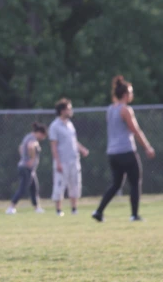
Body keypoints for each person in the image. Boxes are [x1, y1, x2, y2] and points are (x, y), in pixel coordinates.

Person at [92, 76, 156, 222]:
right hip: (126, 151)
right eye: (131, 92)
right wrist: (147, 147)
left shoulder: (110, 109)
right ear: (126, 95)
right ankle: (134, 215)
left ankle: (99, 211)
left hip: (112, 153)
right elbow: (135, 130)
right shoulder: (126, 110)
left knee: (116, 184)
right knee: (135, 182)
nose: (132, 95)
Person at [49, 98, 89, 216]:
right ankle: (58, 210)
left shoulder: (70, 125)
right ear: (62, 111)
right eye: (68, 109)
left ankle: (74, 209)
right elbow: (54, 146)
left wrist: (82, 149)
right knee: (60, 185)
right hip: (62, 161)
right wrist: (58, 162)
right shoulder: (55, 126)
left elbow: (73, 141)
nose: (71, 111)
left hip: (74, 160)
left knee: (75, 184)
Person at [6, 123, 47, 214]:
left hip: (28, 168)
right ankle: (11, 207)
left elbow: (21, 147)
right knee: (23, 188)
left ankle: (37, 208)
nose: (43, 138)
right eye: (43, 136)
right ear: (40, 133)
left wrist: (24, 158)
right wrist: (31, 159)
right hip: (26, 168)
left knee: (34, 188)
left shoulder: (27, 137)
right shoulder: (32, 139)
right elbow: (30, 146)